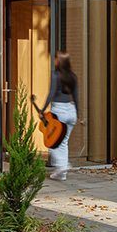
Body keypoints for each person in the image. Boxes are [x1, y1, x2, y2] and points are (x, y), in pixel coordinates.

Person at [40, 50, 80, 181]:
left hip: (59, 111)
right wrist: (78, 114)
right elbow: (76, 97)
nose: (54, 60)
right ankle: (62, 173)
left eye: (55, 58)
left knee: (54, 143)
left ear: (59, 61)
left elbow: (51, 94)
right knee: (63, 142)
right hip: (71, 111)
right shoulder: (73, 76)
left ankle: (62, 166)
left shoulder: (55, 75)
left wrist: (43, 110)